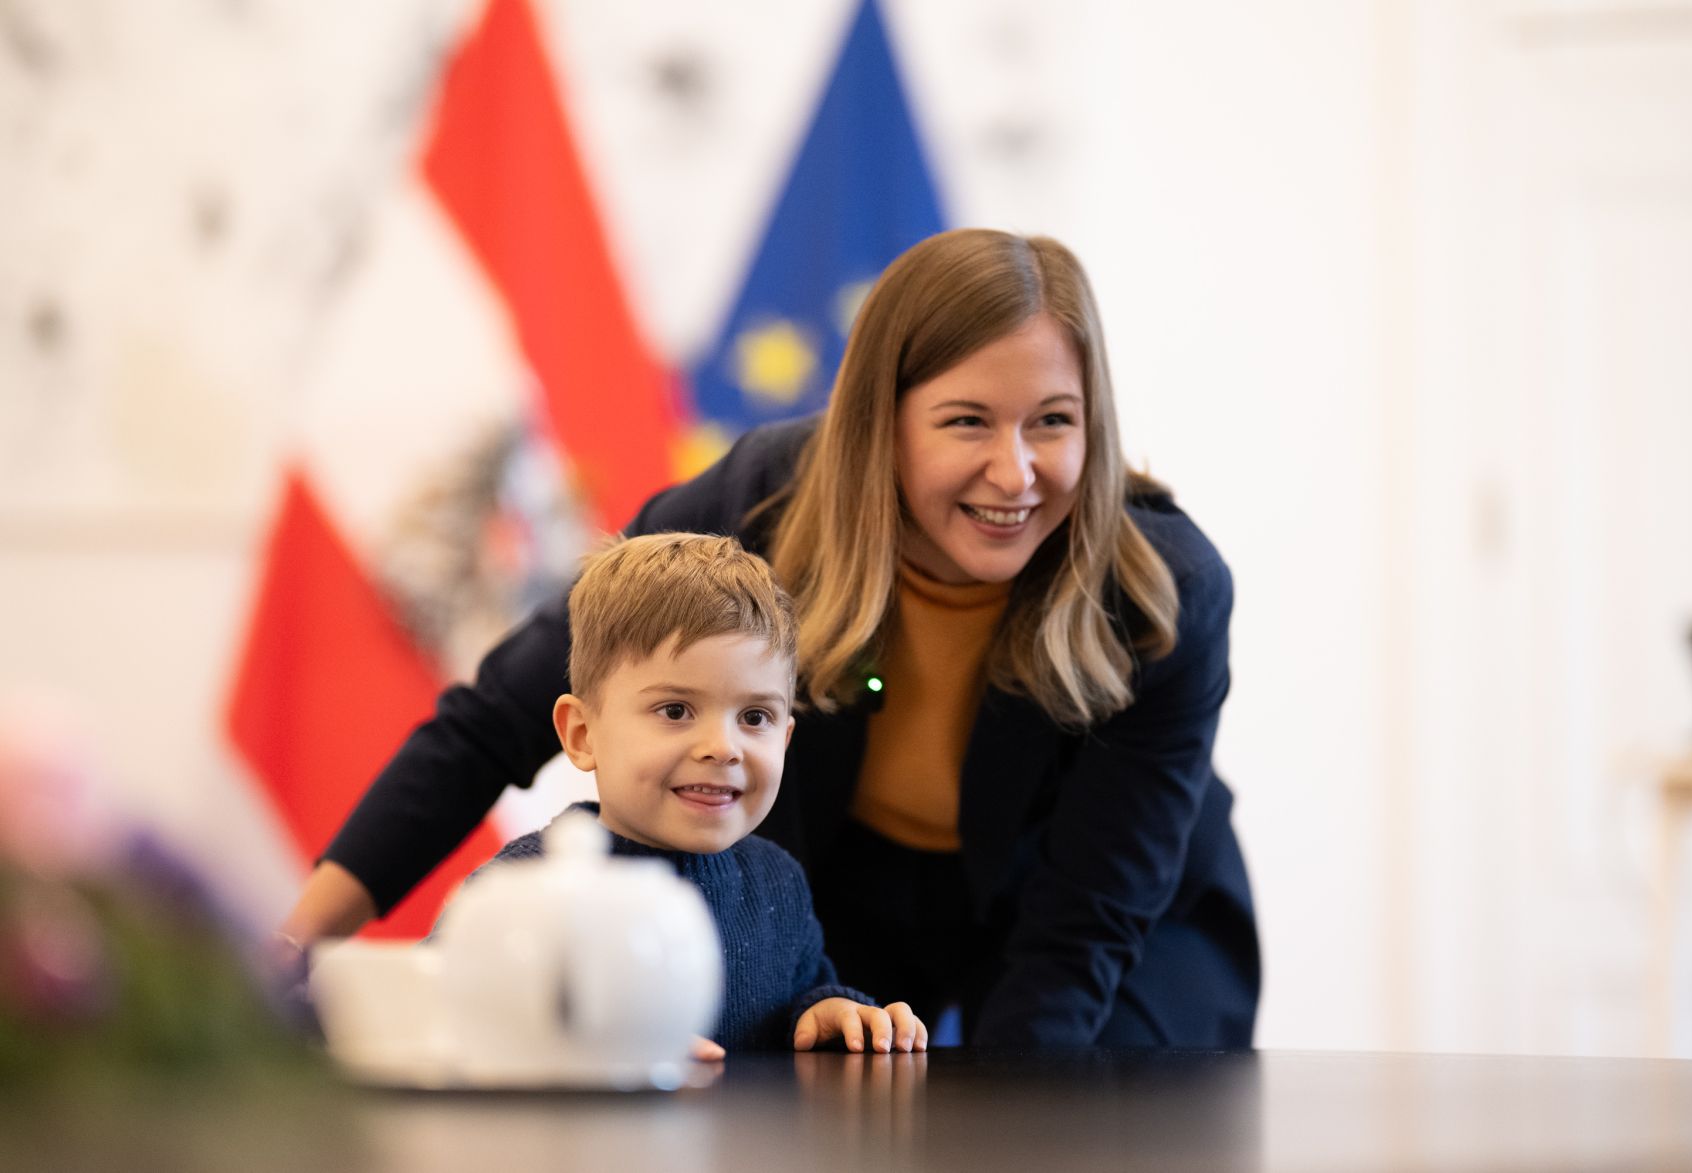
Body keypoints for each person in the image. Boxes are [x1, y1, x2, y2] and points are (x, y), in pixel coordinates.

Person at [279, 228, 1259, 1049]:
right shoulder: (760, 502)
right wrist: (293, 951)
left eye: (1052, 423)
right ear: (883, 422)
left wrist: (1004, 1123)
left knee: (1087, 1108)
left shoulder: (1163, 593)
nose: (1014, 473)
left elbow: (1078, 931)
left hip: (1114, 917)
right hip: (851, 892)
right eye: (965, 422)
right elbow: (496, 718)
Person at [461, 531, 925, 1054]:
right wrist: (601, 1048)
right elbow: (447, 1014)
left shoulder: (778, 883)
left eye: (755, 717)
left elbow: (801, 992)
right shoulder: (525, 888)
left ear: (786, 739)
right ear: (582, 734)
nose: (723, 748)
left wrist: (827, 1010)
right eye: (676, 710)